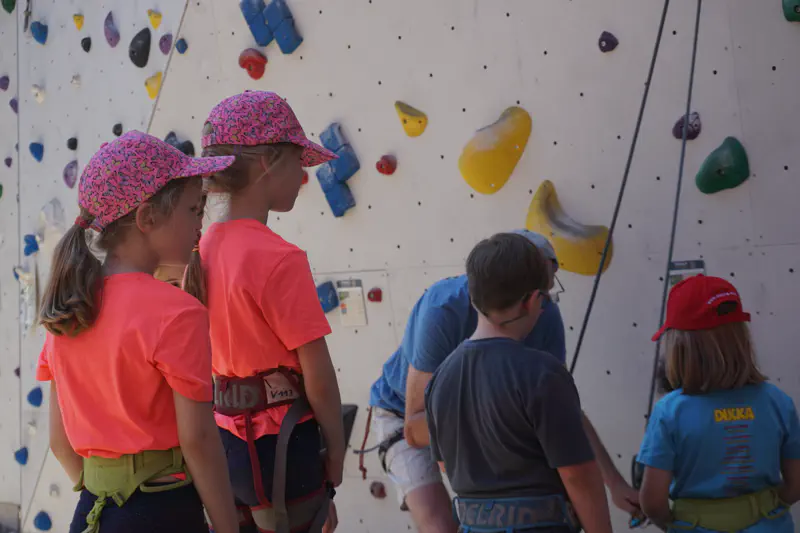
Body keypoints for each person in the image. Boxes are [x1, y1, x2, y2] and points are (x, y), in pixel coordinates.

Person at [367, 229, 639, 533]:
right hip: (408, 416)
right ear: (526, 293)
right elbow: (415, 428)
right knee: (439, 524)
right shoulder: (441, 310)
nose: (546, 297)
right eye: (543, 288)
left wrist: (615, 483)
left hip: (470, 419)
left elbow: (562, 411)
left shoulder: (543, 317)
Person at [36, 131, 239, 533]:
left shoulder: (69, 310)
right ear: (147, 218)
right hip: (162, 513)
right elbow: (198, 441)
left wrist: (108, 491)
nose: (201, 224)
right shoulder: (178, 312)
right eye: (194, 209)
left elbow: (60, 443)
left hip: (93, 512)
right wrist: (228, 527)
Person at [183, 90, 345, 533]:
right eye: (297, 160)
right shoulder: (279, 257)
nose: (303, 175)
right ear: (267, 163)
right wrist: (336, 451)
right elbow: (318, 374)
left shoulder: (200, 247)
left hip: (225, 448)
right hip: (283, 451)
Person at [425, 232, 613, 533]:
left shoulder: (440, 378)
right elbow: (577, 474)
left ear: (475, 298)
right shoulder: (543, 374)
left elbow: (446, 465)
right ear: (532, 301)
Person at [638, 274, 800, 532]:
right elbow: (795, 485)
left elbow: (653, 502)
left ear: (679, 345)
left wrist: (669, 523)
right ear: (742, 338)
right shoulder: (777, 401)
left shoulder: (669, 412)